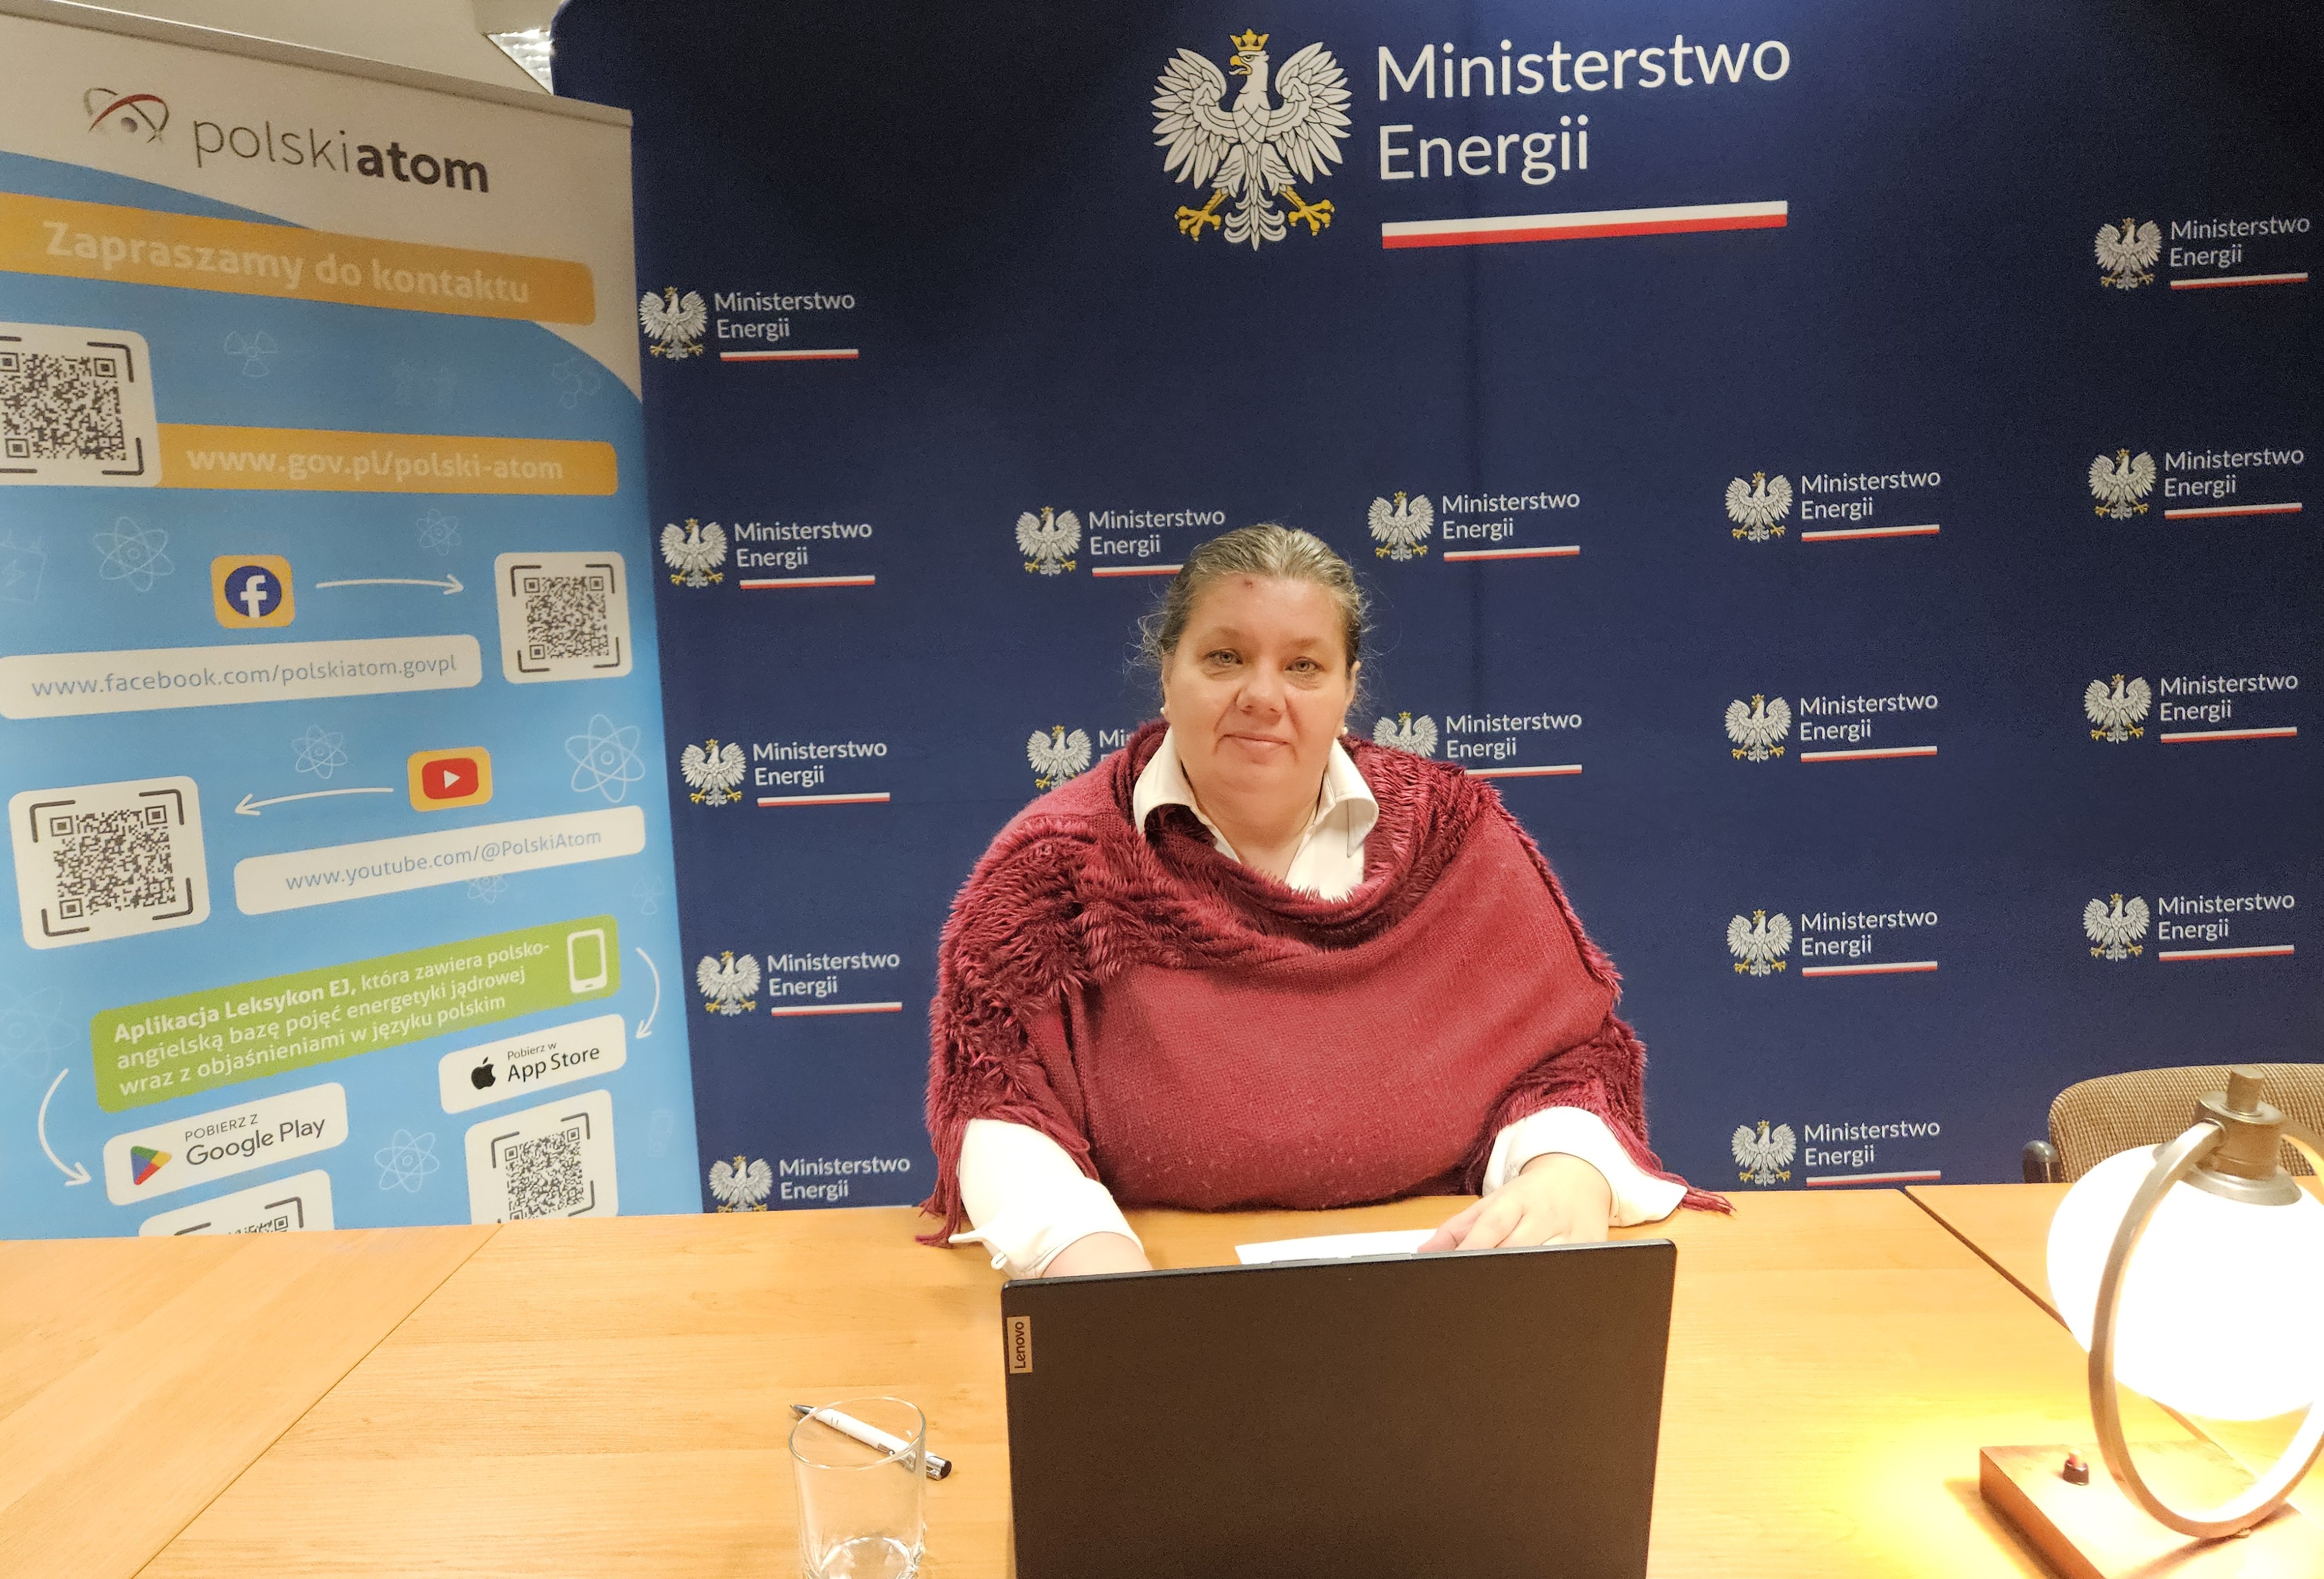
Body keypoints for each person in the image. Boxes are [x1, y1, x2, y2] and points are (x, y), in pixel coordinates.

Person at [922, 525, 1719, 1277]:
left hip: (1439, 1290)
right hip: (1159, 1289)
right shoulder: (1054, 867)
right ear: (1167, 674)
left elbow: (1569, 1061)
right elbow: (997, 1099)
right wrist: (1084, 1258)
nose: (1263, 696)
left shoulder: (1451, 835)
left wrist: (1564, 1169)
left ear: (1348, 690)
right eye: (1225, 657)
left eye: (1303, 666)